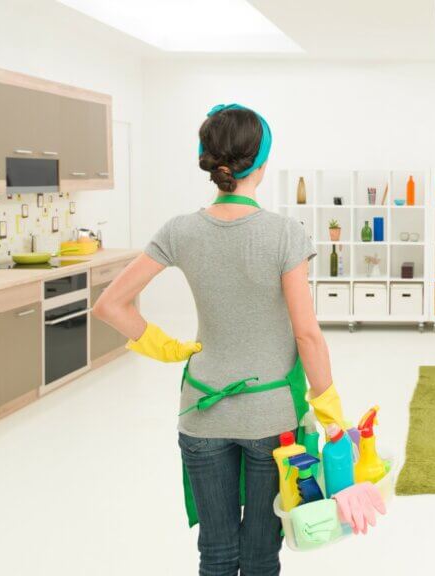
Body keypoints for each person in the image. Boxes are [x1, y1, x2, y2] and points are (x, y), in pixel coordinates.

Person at [93, 104, 370, 576]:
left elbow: (110, 305)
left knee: (216, 550)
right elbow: (307, 333)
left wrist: (167, 346)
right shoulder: (284, 234)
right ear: (260, 163)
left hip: (201, 412)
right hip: (273, 421)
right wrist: (330, 416)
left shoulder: (179, 230)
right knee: (262, 551)